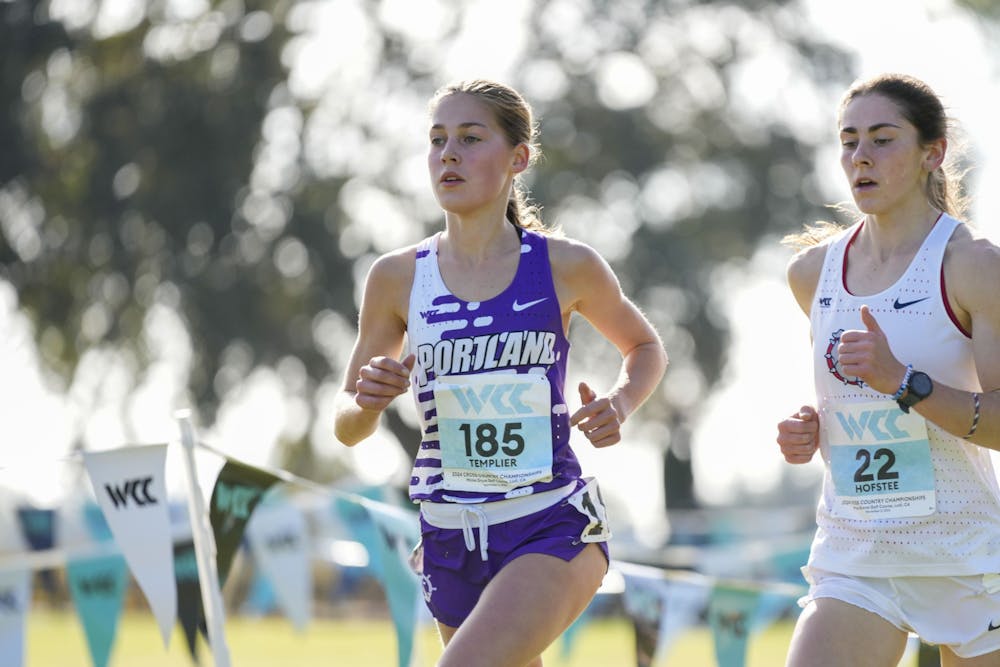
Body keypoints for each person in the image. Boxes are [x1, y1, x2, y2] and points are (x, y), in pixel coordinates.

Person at [333, 79, 668, 667]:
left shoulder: (565, 265)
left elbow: (644, 346)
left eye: (470, 138)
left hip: (549, 523)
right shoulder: (396, 277)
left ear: (519, 158)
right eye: (437, 140)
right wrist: (366, 402)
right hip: (448, 536)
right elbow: (346, 426)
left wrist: (619, 403)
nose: (448, 154)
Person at [776, 72, 1000, 667]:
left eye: (882, 139)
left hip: (965, 556)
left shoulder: (974, 266)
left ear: (933, 153)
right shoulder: (811, 274)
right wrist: (810, 428)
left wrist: (904, 383)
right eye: (849, 142)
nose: (861, 157)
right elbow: (850, 399)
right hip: (856, 556)